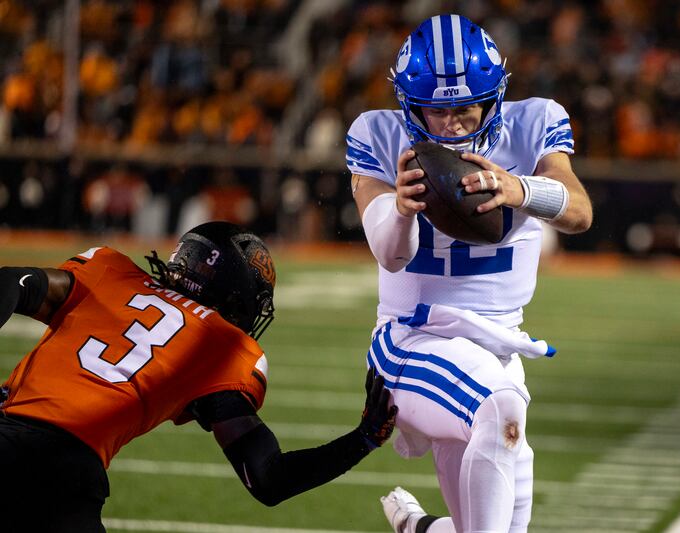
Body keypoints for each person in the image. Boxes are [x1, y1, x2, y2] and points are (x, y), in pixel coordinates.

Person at [346, 14, 592, 533]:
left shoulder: (534, 124)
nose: (453, 124)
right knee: (500, 407)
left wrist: (521, 189)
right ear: (411, 105)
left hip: (499, 344)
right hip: (412, 337)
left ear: (494, 97)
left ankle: (417, 528)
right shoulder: (378, 134)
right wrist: (403, 211)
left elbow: (580, 213)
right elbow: (389, 256)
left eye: (464, 108)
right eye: (437, 112)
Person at [0, 221, 397, 532]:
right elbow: (269, 479)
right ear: (233, 295)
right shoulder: (222, 347)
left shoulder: (109, 270)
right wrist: (363, 438)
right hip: (64, 473)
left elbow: (10, 283)